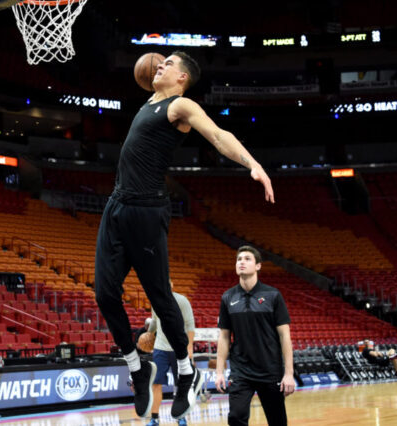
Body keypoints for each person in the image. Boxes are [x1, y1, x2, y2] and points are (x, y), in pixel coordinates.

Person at [94, 50, 275, 420]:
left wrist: (253, 164)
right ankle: (136, 366)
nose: (161, 64)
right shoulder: (150, 99)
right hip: (116, 206)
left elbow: (218, 134)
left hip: (147, 209)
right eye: (160, 62)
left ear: (182, 79)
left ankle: (187, 371)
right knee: (104, 292)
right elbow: (150, 72)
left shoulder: (181, 106)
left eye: (170, 64)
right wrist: (152, 71)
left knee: (161, 298)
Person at [215, 246, 294, 426]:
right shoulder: (227, 297)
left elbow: (285, 336)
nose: (241, 262)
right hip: (241, 371)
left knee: (278, 421)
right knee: (235, 417)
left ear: (258, 266)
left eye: (247, 259)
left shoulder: (273, 295)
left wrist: (288, 374)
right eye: (239, 259)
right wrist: (219, 372)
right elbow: (224, 337)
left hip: (270, 370)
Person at [146, 280, 202, 426]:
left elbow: (190, 325)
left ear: (171, 287)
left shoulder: (182, 301)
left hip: (179, 349)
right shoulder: (155, 302)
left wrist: (189, 348)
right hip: (160, 349)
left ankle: (180, 416)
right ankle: (154, 418)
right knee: (156, 384)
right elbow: (154, 321)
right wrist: (148, 334)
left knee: (181, 386)